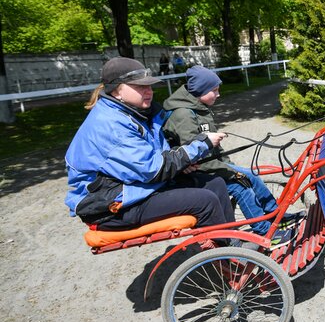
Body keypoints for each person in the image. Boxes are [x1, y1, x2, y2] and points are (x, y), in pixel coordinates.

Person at [65, 57, 235, 231]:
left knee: (215, 183)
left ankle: (231, 245)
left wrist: (182, 163)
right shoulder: (110, 123)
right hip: (109, 205)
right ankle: (226, 255)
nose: (149, 91)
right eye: (140, 86)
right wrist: (202, 143)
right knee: (204, 200)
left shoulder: (138, 113)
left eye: (149, 86)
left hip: (136, 187)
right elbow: (153, 169)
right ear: (116, 91)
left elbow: (155, 154)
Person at [162, 66, 288, 239]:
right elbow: (195, 154)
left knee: (250, 175)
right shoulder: (183, 115)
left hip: (209, 164)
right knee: (241, 185)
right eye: (214, 90)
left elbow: (215, 148)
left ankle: (274, 215)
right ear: (200, 90)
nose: (218, 94)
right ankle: (265, 231)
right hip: (193, 171)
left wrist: (229, 166)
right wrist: (229, 171)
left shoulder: (199, 107)